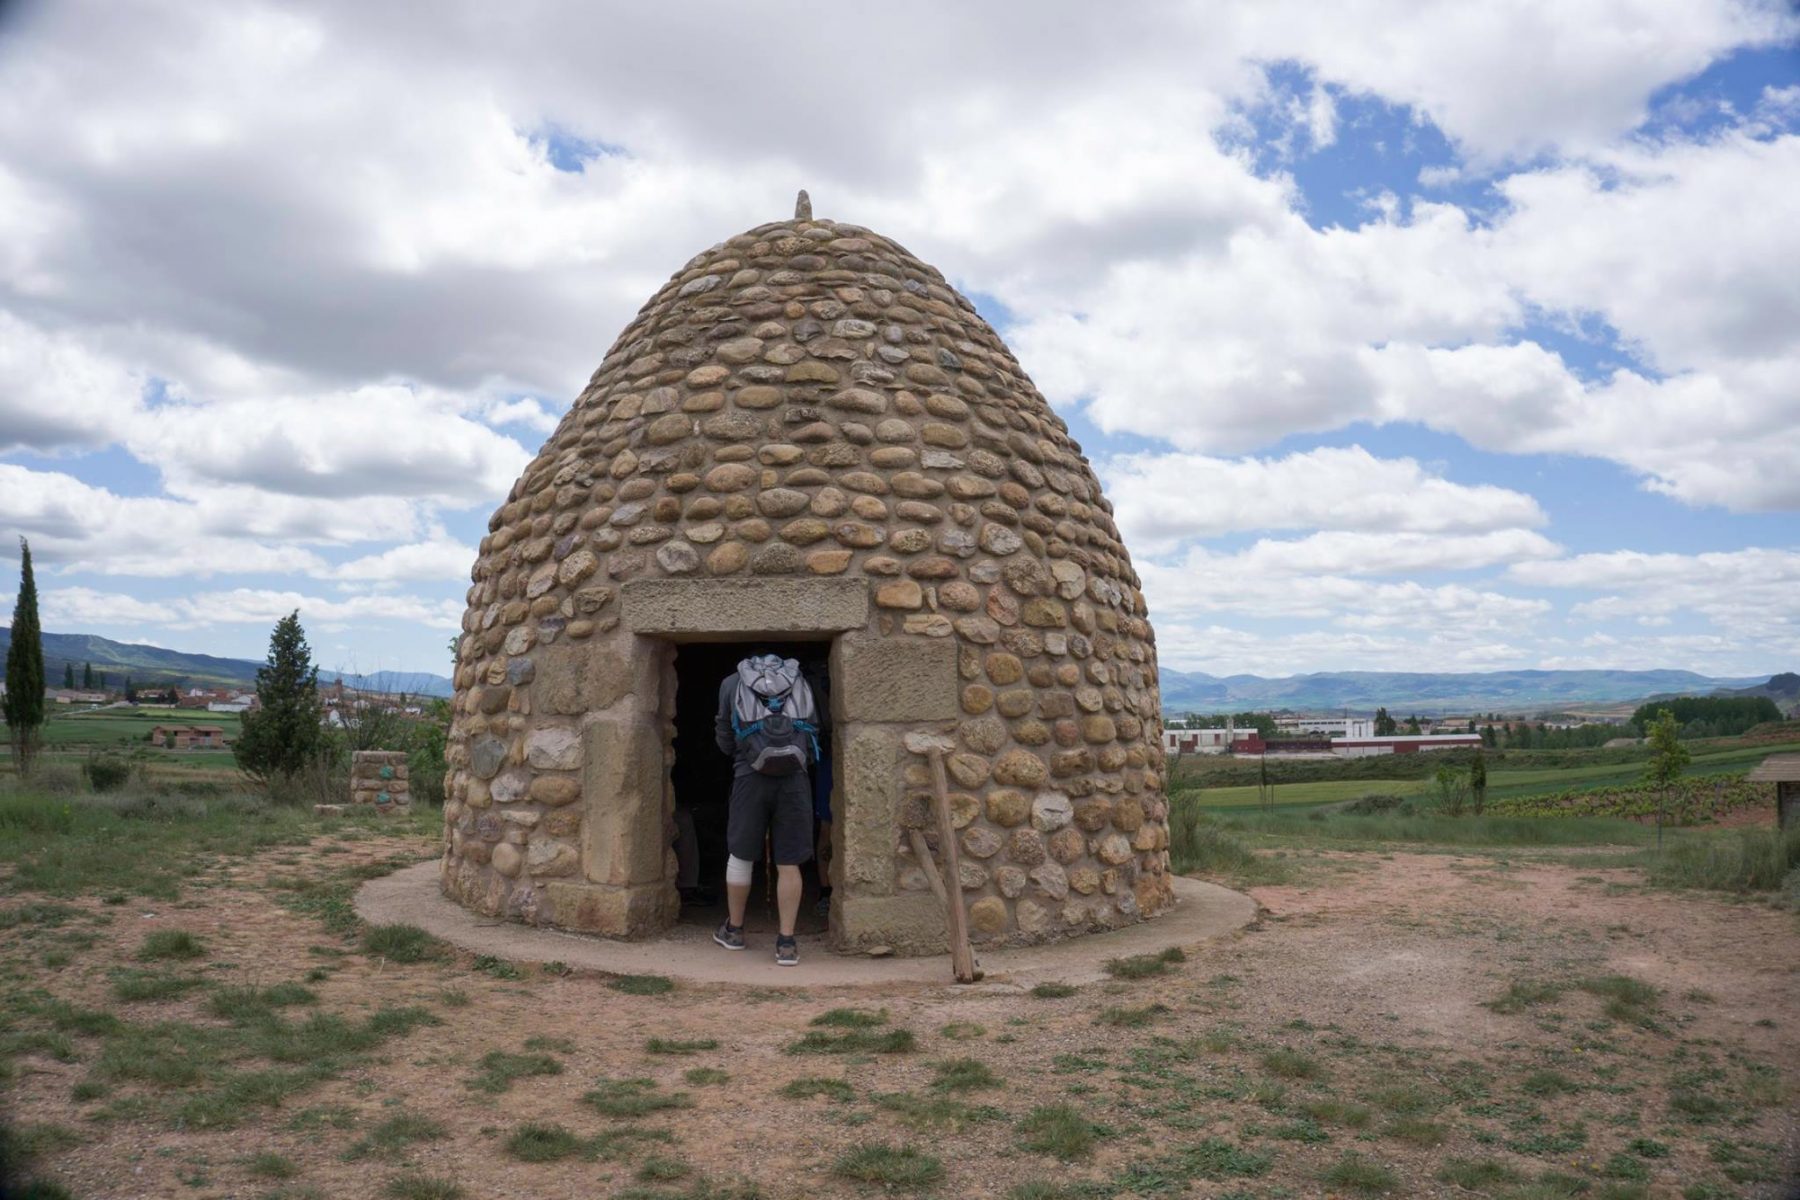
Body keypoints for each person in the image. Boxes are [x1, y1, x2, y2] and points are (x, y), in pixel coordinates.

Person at [712, 653, 820, 966]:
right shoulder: (800, 681)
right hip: (794, 779)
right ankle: (786, 943)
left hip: (749, 776)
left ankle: (734, 930)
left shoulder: (731, 683)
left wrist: (745, 754)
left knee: (741, 854)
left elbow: (723, 735)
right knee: (789, 862)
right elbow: (814, 727)